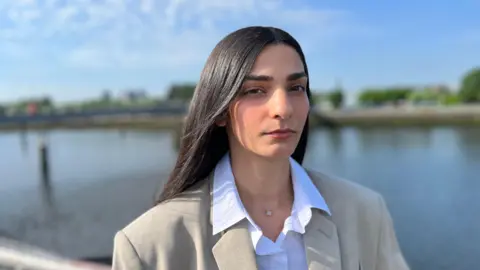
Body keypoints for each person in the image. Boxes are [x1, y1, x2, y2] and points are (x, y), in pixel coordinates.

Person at [112, 26, 410, 270]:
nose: (283, 108)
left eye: (296, 88)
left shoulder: (365, 212)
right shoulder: (148, 246)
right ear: (219, 111)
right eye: (255, 90)